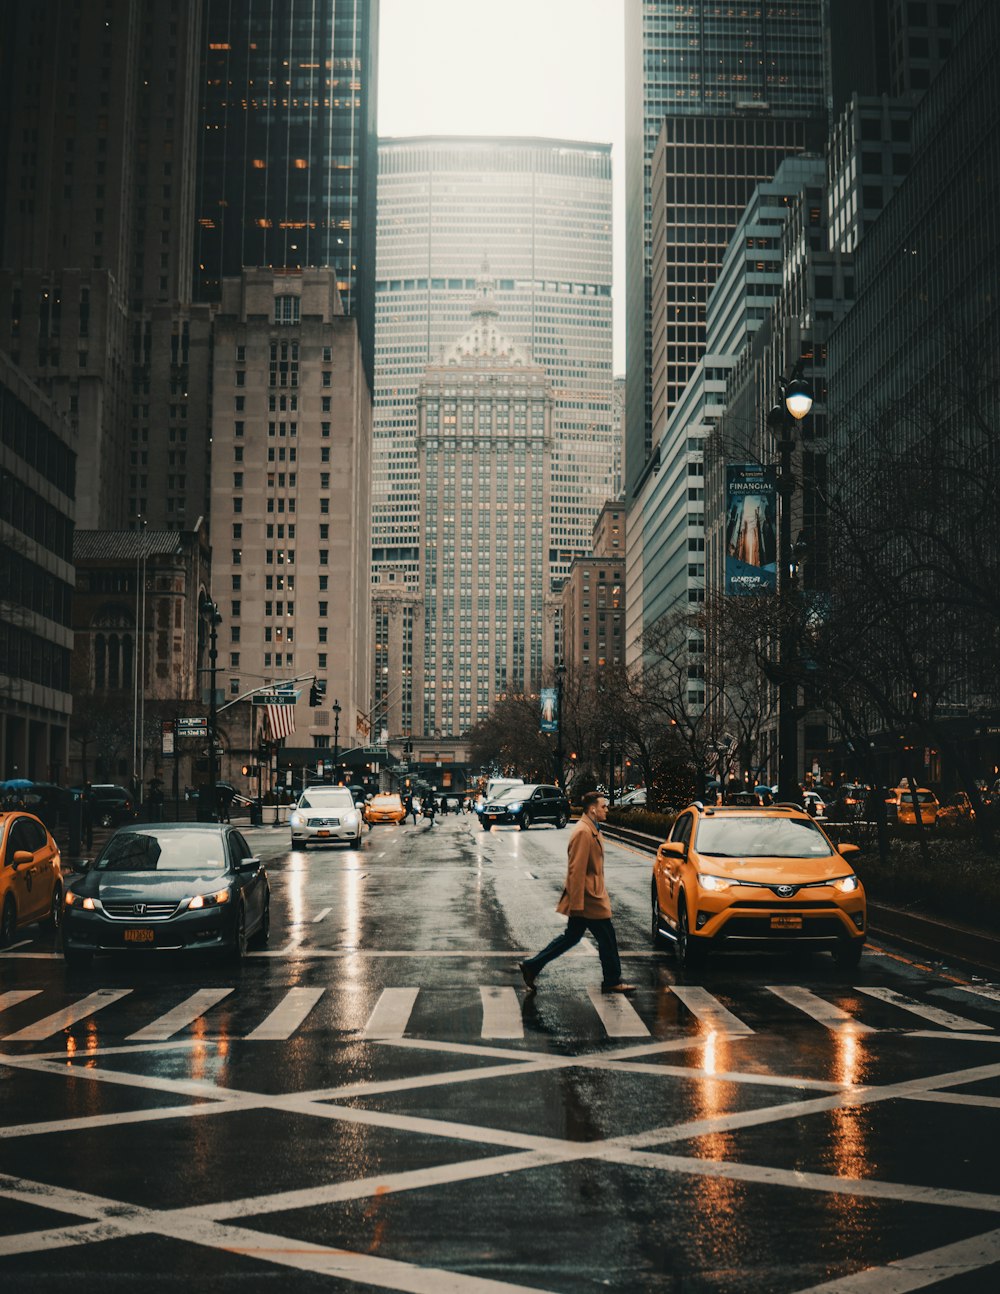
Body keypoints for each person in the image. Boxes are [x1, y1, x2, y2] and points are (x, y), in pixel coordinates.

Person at [519, 791, 635, 995]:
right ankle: (612, 980)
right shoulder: (583, 832)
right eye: (603, 806)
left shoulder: (591, 829)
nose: (606, 809)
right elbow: (576, 869)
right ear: (592, 809)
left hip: (589, 896)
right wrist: (577, 903)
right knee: (607, 937)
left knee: (571, 937)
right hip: (589, 898)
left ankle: (532, 966)